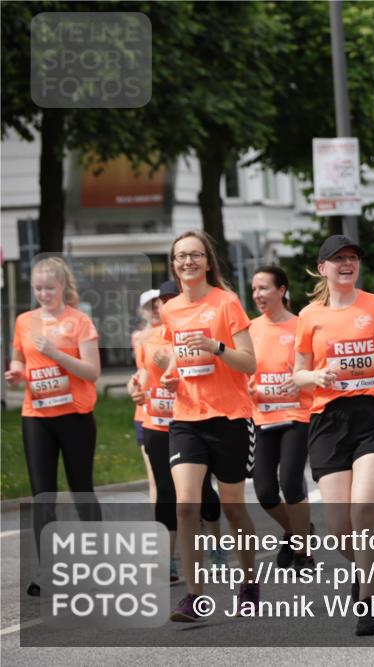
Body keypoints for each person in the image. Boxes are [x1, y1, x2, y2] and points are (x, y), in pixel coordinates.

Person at [293, 234, 374, 636]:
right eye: (337, 259)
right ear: (322, 268)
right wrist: (314, 375)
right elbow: (298, 373)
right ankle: (366, 566)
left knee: (364, 509)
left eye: (352, 258)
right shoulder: (309, 316)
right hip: (329, 421)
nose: (346, 264)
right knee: (339, 528)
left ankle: (369, 601)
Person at [158, 231, 260, 622]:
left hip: (230, 416)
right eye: (181, 256)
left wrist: (215, 347)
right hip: (186, 417)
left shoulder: (226, 303)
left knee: (233, 508)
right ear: (173, 264)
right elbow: (175, 359)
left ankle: (249, 582)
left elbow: (249, 363)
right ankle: (193, 596)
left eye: (195, 255)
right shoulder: (170, 311)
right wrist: (169, 375)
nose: (188, 262)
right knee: (186, 505)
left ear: (207, 261)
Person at [7, 257, 102, 596]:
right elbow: (19, 356)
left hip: (75, 416)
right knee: (42, 495)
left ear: (63, 286)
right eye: (37, 288)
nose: (43, 294)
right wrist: (17, 371)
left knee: (81, 490)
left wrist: (57, 354)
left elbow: (92, 372)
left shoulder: (79, 321)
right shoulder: (24, 321)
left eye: (49, 288)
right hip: (37, 416)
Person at [127, 280, 227, 583]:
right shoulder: (149, 339)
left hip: (192, 420)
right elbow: (143, 376)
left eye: (172, 299)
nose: (166, 305)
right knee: (166, 492)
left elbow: (208, 376)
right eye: (163, 300)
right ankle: (168, 560)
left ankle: (216, 549)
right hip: (157, 422)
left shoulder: (195, 335)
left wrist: (175, 367)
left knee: (203, 491)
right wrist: (135, 388)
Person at [248, 266, 313, 569]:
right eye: (254, 290)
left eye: (263, 288)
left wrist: (302, 380)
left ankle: (302, 553)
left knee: (290, 481)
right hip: (263, 417)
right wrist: (247, 385)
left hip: (297, 414)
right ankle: (295, 530)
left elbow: (317, 368)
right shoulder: (250, 329)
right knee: (263, 490)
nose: (257, 295)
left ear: (282, 290)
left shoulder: (302, 326)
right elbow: (242, 371)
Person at [133, 289, 160, 506]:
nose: (155, 309)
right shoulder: (139, 338)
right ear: (142, 311)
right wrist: (132, 387)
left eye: (158, 303)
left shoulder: (176, 332)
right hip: (146, 414)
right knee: (155, 477)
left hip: (177, 413)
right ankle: (163, 530)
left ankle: (195, 525)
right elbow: (141, 371)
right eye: (149, 306)